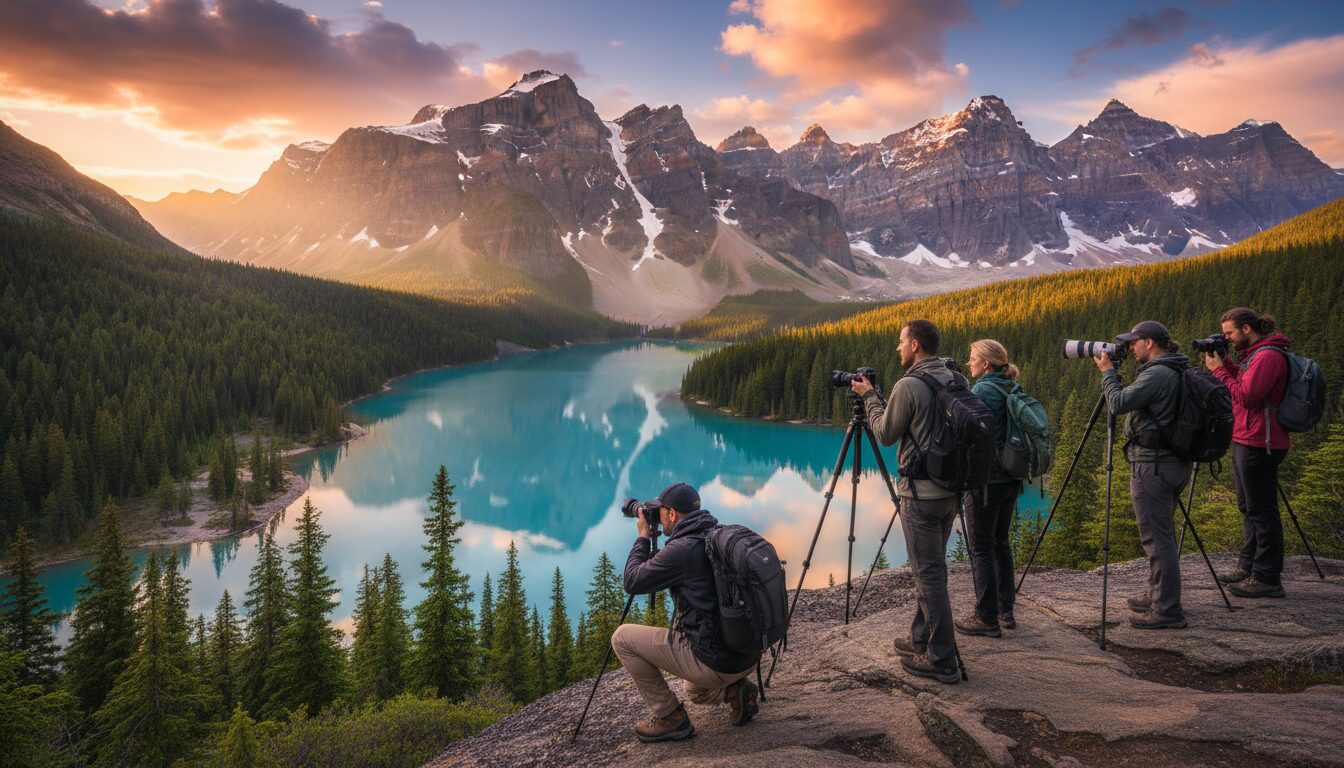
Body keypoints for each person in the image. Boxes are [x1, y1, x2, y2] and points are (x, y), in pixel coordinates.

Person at [850, 318, 962, 684]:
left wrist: (869, 396)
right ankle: (920, 639)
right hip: (950, 492)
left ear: (915, 345)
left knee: (928, 575)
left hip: (921, 495)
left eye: (901, 342)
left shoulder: (909, 384)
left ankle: (942, 658)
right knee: (931, 569)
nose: (897, 348)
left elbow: (884, 433)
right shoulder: (953, 376)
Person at [612, 482, 759, 743]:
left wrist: (643, 537)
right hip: (747, 655)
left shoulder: (680, 550)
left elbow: (632, 581)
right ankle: (735, 691)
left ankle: (670, 718)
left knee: (622, 638)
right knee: (695, 691)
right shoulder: (716, 533)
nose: (658, 516)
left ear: (672, 514)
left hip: (716, 662)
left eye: (661, 511)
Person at [1095, 320, 1191, 629]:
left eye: (1133, 342)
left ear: (1149, 343)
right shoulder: (1175, 368)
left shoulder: (1158, 373)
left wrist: (1108, 373)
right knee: (1162, 535)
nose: (1130, 348)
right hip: (1172, 462)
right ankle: (1159, 594)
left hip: (1154, 465)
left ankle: (1167, 610)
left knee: (1157, 539)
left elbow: (1118, 402)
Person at [1205, 308, 1293, 598]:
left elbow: (1246, 396)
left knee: (1262, 510)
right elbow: (1244, 384)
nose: (1227, 337)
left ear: (1246, 329)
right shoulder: (1254, 355)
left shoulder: (1268, 356)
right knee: (1247, 506)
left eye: (1229, 333)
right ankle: (1249, 565)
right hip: (1247, 438)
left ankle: (1267, 577)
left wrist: (1218, 370)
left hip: (1261, 442)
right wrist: (1227, 363)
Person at [955, 339, 1022, 637]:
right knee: (1000, 543)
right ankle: (1006, 611)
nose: (969, 363)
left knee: (980, 547)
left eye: (972, 359)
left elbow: (967, 430)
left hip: (986, 480)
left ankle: (985, 617)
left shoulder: (981, 390)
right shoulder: (1012, 386)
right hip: (1011, 478)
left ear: (985, 363)